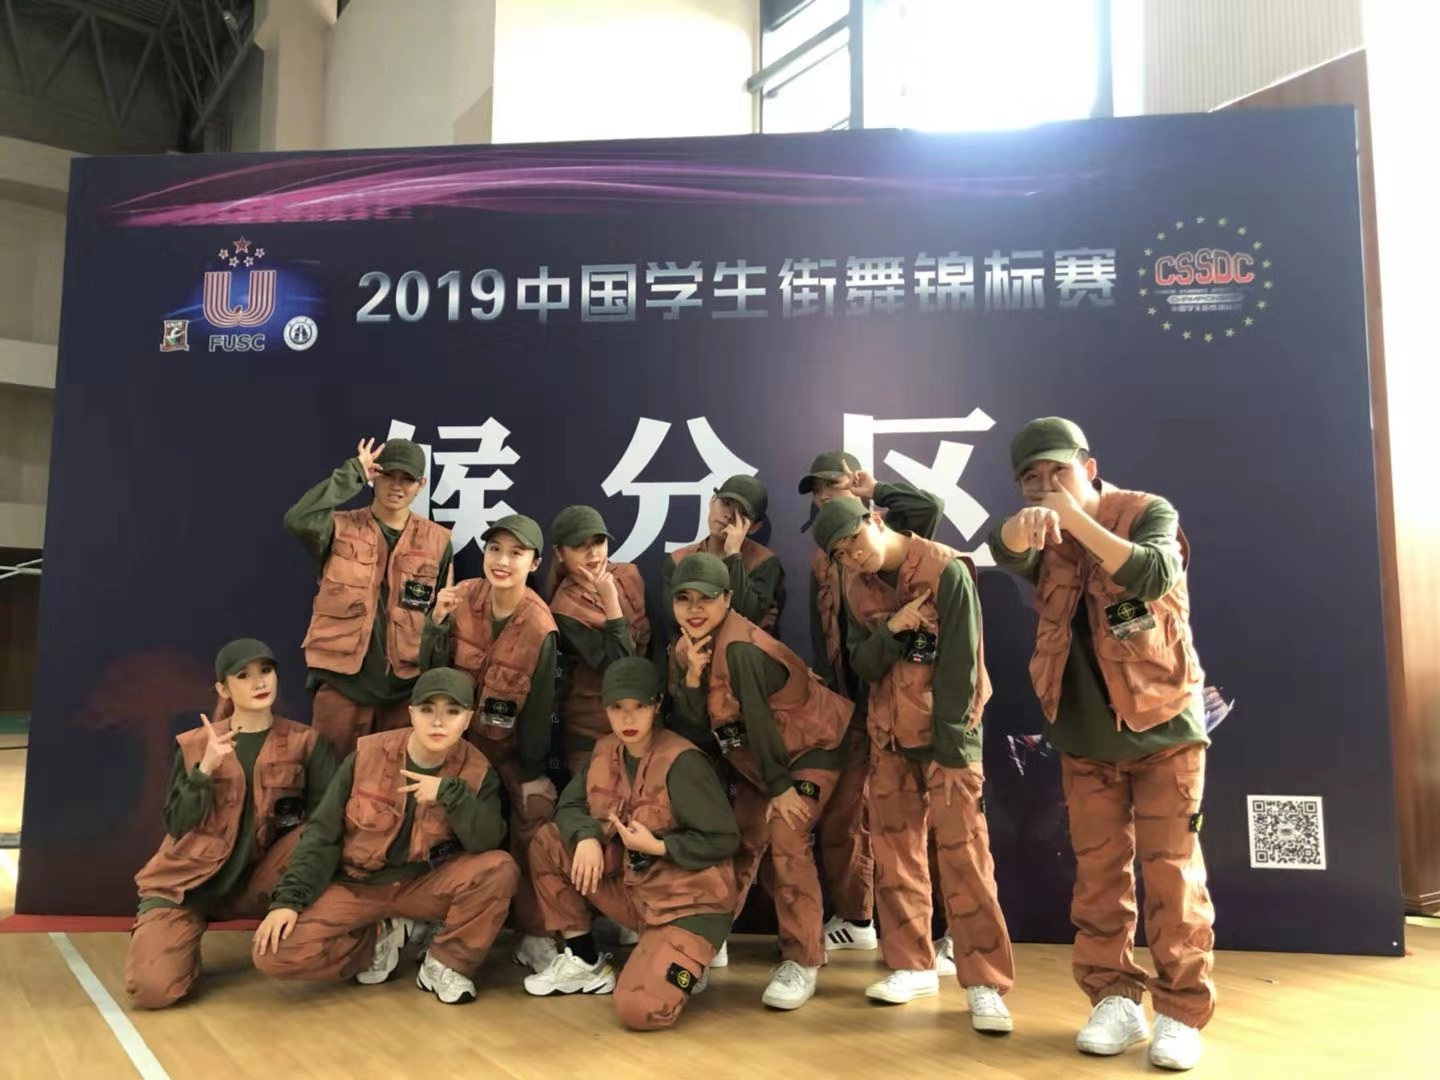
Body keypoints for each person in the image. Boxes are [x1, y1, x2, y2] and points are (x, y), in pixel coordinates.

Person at [989, 417, 1215, 1071]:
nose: (1046, 486)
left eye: (1057, 472)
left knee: (1173, 877)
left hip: (1163, 730)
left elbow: (1153, 573)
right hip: (1084, 740)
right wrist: (1022, 527)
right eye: (1031, 478)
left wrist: (1074, 519)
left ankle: (1179, 1013)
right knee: (1098, 879)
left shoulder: (1146, 512)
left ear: (1088, 468)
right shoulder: (1043, 535)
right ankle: (1114, 998)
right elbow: (1003, 549)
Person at [812, 497, 1014, 1033]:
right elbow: (862, 662)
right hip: (890, 737)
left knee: (965, 860)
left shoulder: (946, 570)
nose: (853, 555)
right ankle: (912, 964)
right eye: (840, 553)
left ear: (875, 521)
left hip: (949, 740)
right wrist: (894, 629)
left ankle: (986, 982)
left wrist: (953, 752)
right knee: (895, 856)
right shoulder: (855, 587)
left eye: (854, 540)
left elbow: (963, 666)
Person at [252, 668, 518, 1005]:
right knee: (274, 954)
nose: (438, 722)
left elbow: (487, 841)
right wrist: (289, 901)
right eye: (427, 710)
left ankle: (445, 964)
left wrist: (451, 794)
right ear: (412, 713)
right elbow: (322, 833)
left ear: (468, 719)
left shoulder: (478, 770)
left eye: (452, 712)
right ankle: (380, 937)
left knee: (500, 868)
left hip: (424, 885)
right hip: (360, 884)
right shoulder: (367, 756)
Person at [667, 552, 851, 1011]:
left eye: (706, 598)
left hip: (810, 751)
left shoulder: (742, 648)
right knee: (737, 839)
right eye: (684, 599)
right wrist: (692, 678)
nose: (694, 609)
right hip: (760, 763)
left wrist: (781, 788)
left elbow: (761, 723)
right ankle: (708, 940)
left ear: (727, 599)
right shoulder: (684, 649)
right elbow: (696, 731)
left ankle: (803, 959)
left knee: (787, 834)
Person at [523, 657, 739, 1030]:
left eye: (638, 706)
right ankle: (583, 959)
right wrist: (587, 837)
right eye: (617, 707)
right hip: (635, 893)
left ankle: (690, 955)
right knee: (550, 841)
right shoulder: (605, 750)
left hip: (687, 905)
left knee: (639, 1010)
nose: (628, 718)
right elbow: (570, 806)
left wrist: (660, 847)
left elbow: (724, 839)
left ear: (656, 706)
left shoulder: (683, 762)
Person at [125, 639, 336, 1009]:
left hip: (264, 879)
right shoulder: (194, 745)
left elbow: (326, 826)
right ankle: (178, 946)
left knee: (317, 834)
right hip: (189, 884)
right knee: (152, 990)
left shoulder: (306, 742)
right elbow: (177, 822)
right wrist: (204, 770)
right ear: (223, 689)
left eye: (265, 671)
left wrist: (290, 899)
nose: (259, 682)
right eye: (243, 675)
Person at [797, 451, 946, 958]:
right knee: (848, 816)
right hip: (851, 702)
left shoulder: (887, 531)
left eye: (835, 485)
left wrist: (875, 489)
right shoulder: (824, 557)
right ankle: (858, 917)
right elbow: (823, 632)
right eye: (819, 490)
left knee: (923, 820)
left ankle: (943, 930)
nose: (826, 496)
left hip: (905, 698)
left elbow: (930, 508)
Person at [419, 513, 560, 975]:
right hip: (452, 745)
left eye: (516, 553)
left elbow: (538, 709)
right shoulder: (461, 598)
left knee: (534, 818)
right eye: (494, 549)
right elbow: (431, 678)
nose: (502, 561)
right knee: (431, 813)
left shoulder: (540, 626)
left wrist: (532, 774)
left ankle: (534, 931)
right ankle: (425, 918)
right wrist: (436, 624)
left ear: (534, 563)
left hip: (505, 751)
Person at [284, 437, 453, 760]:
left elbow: (440, 620)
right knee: (330, 779)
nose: (397, 486)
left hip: (404, 693)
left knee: (391, 784)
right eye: (389, 475)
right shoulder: (338, 527)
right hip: (342, 688)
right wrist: (354, 473)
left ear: (421, 485)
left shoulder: (438, 541)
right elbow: (298, 519)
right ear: (375, 475)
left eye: (407, 479)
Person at [547, 504, 652, 775]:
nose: (593, 553)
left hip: (644, 720)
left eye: (599, 542)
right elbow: (621, 669)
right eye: (580, 546)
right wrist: (611, 602)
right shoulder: (564, 608)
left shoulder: (629, 575)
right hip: (592, 728)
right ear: (559, 553)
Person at [661, 474, 782, 636]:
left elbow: (746, 617)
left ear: (754, 527)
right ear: (712, 501)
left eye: (742, 513)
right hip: (690, 648)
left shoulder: (764, 562)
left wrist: (733, 554)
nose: (729, 515)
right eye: (726, 503)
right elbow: (679, 622)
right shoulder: (679, 560)